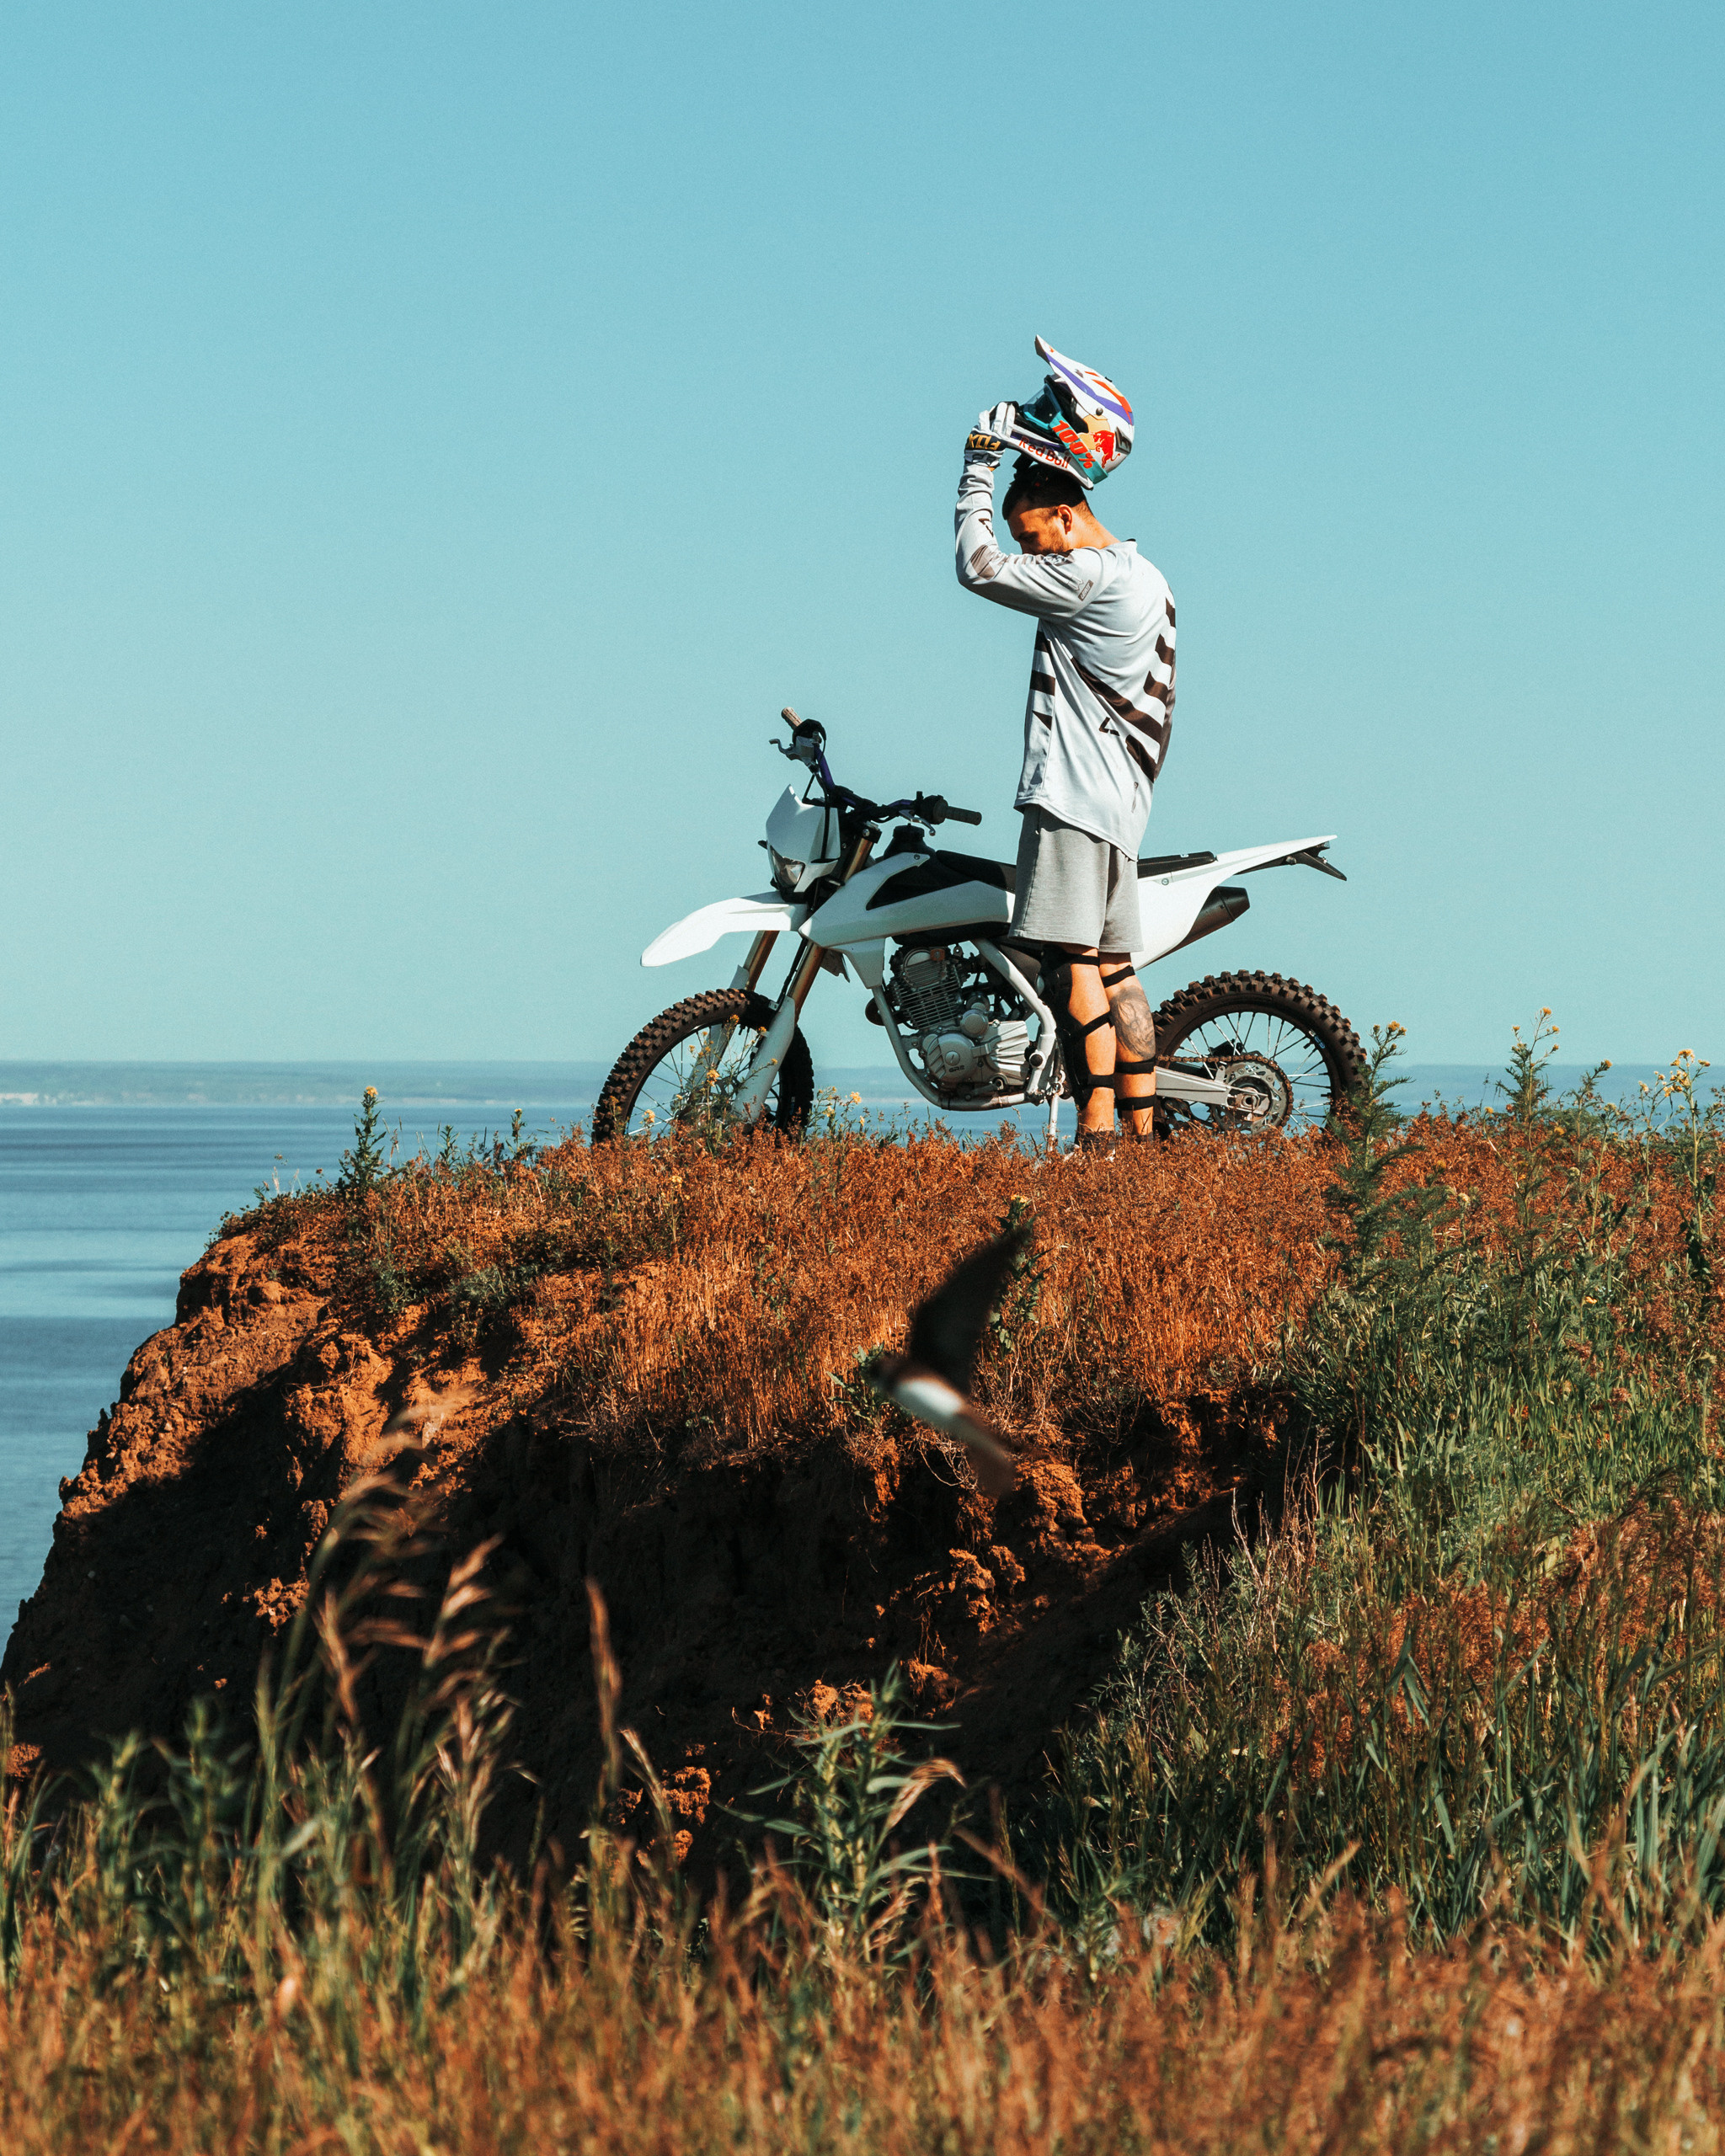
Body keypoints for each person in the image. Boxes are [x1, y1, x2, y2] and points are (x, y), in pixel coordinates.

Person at [955, 383, 1176, 1153]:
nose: (1031, 556)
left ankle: (1098, 1141)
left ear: (1064, 513)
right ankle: (1143, 1140)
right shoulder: (1150, 578)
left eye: (1035, 535)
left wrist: (978, 470)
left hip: (1072, 800)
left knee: (1075, 966)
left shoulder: (1083, 575)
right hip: (1123, 807)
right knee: (1119, 972)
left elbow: (978, 568)